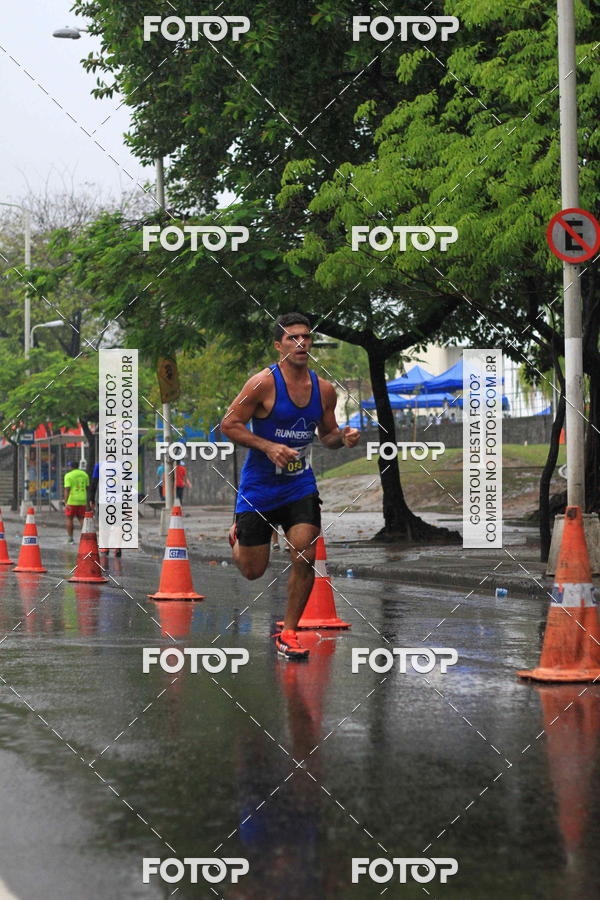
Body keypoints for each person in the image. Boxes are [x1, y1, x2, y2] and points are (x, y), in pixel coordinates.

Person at [221, 312, 360, 660]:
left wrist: (343, 437)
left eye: (306, 338)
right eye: (292, 338)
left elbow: (326, 435)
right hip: (259, 488)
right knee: (253, 571)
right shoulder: (262, 383)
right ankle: (239, 537)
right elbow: (229, 424)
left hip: (299, 484)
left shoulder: (324, 390)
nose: (301, 343)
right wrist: (268, 446)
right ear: (278, 345)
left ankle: (289, 632)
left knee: (305, 552)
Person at [89, 462, 121, 557]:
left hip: (104, 500)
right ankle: (118, 547)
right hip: (118, 499)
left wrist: (91, 498)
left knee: (104, 524)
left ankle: (105, 547)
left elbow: (94, 483)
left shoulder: (99, 465)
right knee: (118, 524)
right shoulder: (121, 464)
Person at [63, 459, 89, 544]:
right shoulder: (85, 475)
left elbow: (67, 489)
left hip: (72, 500)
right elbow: (87, 488)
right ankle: (85, 538)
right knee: (81, 518)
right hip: (82, 500)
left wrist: (65, 501)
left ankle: (70, 539)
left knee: (69, 519)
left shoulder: (68, 475)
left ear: (71, 467)